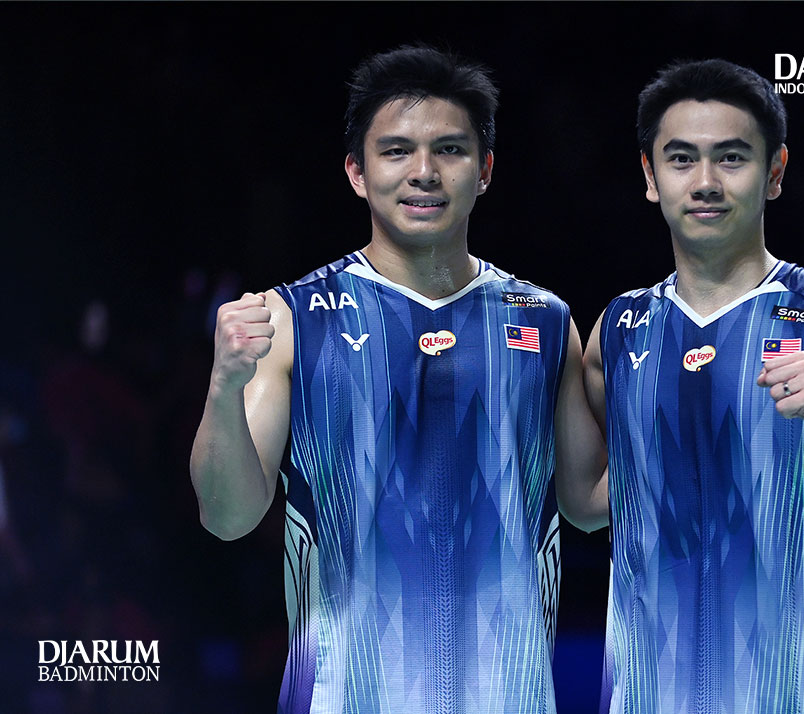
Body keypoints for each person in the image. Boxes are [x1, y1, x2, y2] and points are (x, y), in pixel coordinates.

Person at [191, 45, 606, 713]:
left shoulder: (546, 321)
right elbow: (227, 517)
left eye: (450, 150)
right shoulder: (292, 319)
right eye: (396, 151)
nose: (424, 172)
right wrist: (223, 386)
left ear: (484, 170)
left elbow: (588, 505)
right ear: (356, 172)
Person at [584, 58, 804, 713]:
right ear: (650, 177)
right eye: (681, 159)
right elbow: (587, 505)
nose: (705, 182)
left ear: (774, 172)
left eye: (731, 158)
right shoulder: (618, 331)